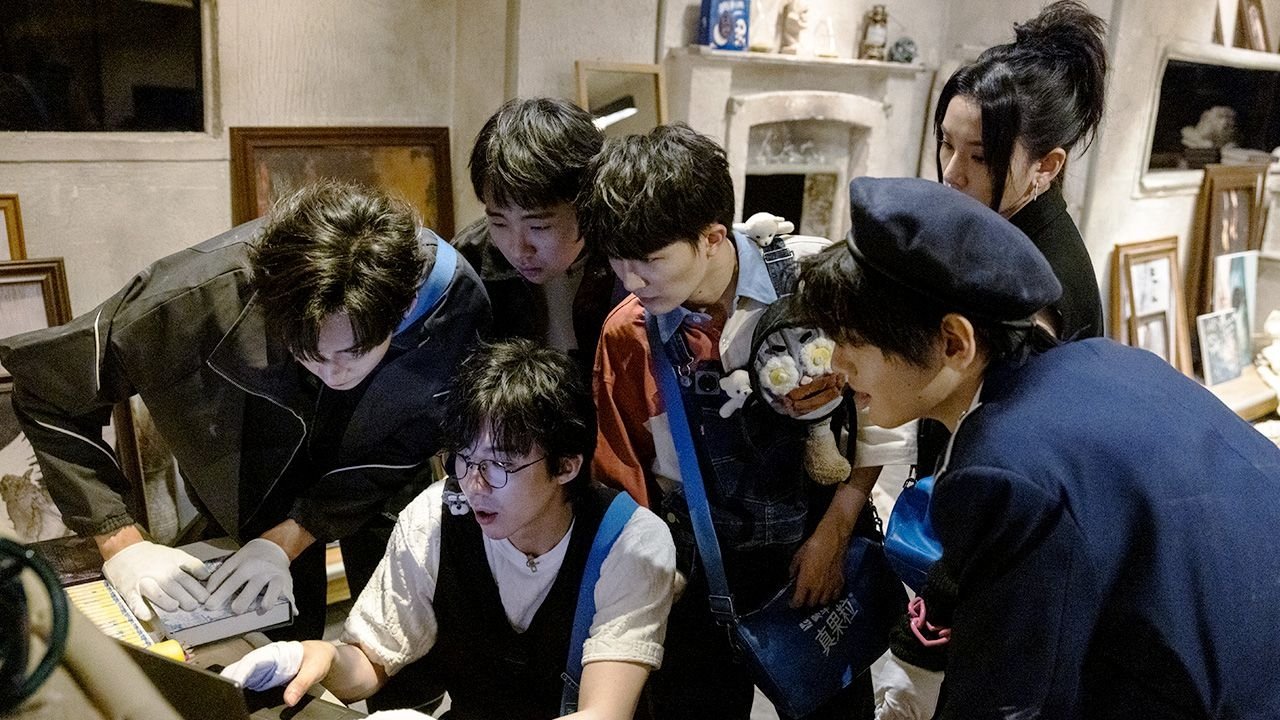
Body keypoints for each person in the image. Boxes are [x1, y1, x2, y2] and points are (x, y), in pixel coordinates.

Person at [797, 176, 1280, 719]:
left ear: (955, 343)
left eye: (854, 341)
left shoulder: (1004, 469)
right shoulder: (1105, 359)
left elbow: (1008, 699)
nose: (836, 363)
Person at [0, 181, 490, 639]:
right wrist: (119, 540)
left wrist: (297, 533)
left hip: (376, 482)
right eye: (310, 353)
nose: (334, 373)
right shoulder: (194, 298)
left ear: (404, 308)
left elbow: (415, 435)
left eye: (353, 352)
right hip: (254, 478)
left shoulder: (452, 303)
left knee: (402, 635)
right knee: (264, 645)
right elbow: (46, 389)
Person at [577, 124, 914, 720]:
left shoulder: (814, 280)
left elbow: (883, 418)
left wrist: (834, 534)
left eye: (650, 261)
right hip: (698, 569)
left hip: (818, 535)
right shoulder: (628, 332)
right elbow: (623, 473)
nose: (631, 280)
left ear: (712, 237)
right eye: (618, 261)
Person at [219, 339, 679, 720]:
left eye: (499, 465)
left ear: (565, 466)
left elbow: (603, 713)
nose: (474, 485)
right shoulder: (436, 518)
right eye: (464, 458)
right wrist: (317, 657)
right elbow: (371, 662)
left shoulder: (629, 542)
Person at [934, 0, 1105, 342]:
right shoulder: (995, 223)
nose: (952, 174)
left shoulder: (1036, 292)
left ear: (1046, 166)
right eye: (947, 143)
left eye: (980, 158)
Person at [454, 97, 618, 382]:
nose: (518, 249)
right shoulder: (468, 263)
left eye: (539, 226)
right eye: (498, 222)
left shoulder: (630, 255)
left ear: (587, 204)